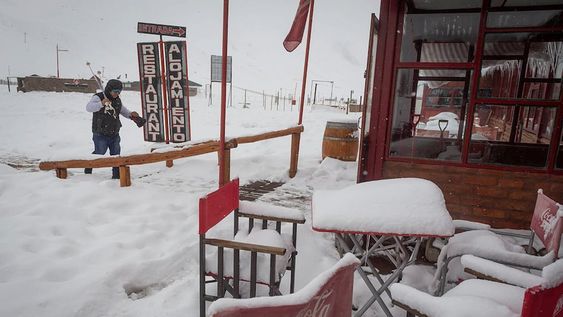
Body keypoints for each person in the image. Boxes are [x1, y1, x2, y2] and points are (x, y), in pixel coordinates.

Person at [85, 79, 140, 179]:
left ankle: (116, 176)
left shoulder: (117, 99)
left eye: (119, 92)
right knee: (100, 152)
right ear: (109, 89)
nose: (117, 94)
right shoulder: (98, 97)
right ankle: (88, 167)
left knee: (116, 155)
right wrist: (101, 103)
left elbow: (123, 110)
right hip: (100, 133)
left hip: (114, 133)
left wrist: (131, 114)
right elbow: (88, 108)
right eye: (115, 91)